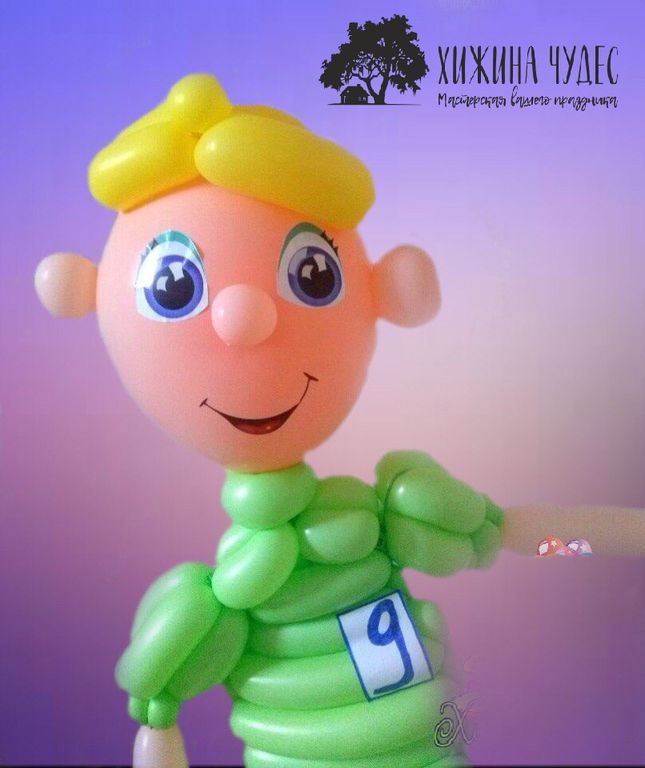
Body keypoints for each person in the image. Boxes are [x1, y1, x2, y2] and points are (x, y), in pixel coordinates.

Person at [34, 74, 645, 768]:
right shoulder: (206, 609)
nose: (244, 319)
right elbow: (158, 717)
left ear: (389, 291)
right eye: (175, 289)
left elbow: (526, 535)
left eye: (313, 275)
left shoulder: (399, 515)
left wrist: (609, 536)